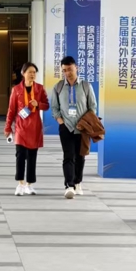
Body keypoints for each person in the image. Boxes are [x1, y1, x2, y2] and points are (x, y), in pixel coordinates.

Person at [50, 56, 98, 199]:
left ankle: (78, 182)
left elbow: (92, 107)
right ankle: (69, 185)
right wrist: (60, 122)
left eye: (70, 69)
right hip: (66, 127)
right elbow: (54, 108)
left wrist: (86, 122)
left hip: (82, 128)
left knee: (80, 156)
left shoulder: (85, 86)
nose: (67, 73)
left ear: (76, 68)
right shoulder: (58, 87)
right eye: (64, 70)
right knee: (68, 156)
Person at [5, 62, 49, 196]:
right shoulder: (16, 90)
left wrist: (38, 104)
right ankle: (20, 184)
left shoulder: (40, 89)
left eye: (34, 72)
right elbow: (11, 110)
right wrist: (8, 127)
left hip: (35, 127)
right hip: (21, 127)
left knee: (32, 156)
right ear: (23, 73)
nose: (32, 74)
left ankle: (30, 184)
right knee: (20, 155)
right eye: (30, 72)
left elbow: (47, 105)